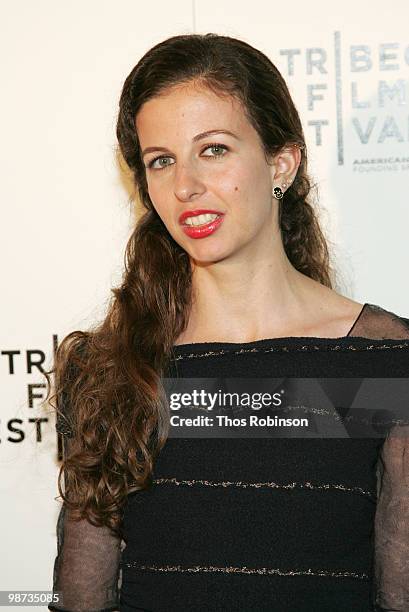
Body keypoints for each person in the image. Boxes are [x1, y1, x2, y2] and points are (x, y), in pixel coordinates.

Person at [46, 33, 409, 611]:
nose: (185, 186)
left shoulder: (387, 363)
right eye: (160, 161)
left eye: (213, 149)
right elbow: (82, 598)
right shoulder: (110, 367)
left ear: (280, 162)